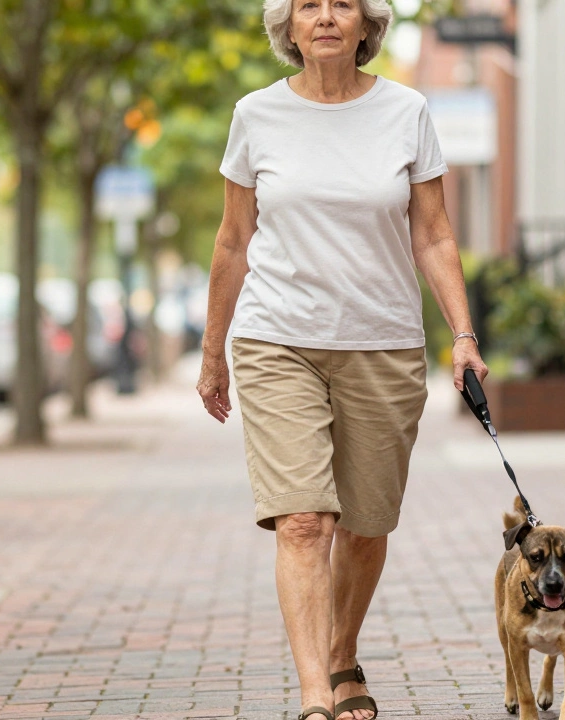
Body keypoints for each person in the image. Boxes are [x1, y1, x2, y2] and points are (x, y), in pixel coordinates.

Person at [196, 1, 488, 719]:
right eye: (308, 5)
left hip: (382, 339)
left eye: (343, 4)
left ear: (367, 26)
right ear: (288, 28)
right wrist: (213, 353)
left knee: (365, 525)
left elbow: (434, 235)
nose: (326, 16)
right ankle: (314, 695)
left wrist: (464, 335)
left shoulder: (407, 110)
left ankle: (340, 654)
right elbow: (233, 242)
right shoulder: (255, 116)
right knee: (303, 521)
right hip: (277, 339)